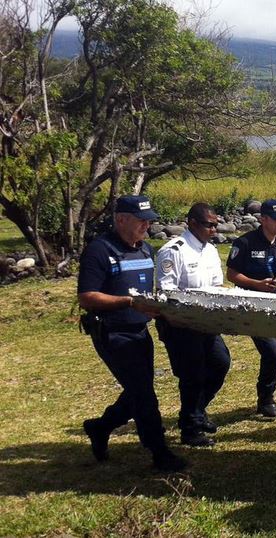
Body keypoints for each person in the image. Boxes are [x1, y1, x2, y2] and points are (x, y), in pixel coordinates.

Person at [77, 195, 187, 472]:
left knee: (137, 391)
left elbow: (145, 293)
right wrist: (127, 302)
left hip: (139, 330)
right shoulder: (99, 251)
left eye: (149, 221)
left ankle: (100, 427)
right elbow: (87, 297)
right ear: (121, 219)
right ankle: (159, 452)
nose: (146, 225)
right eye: (141, 220)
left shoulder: (146, 250)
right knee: (144, 394)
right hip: (112, 333)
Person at [156, 203, 231, 447]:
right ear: (192, 223)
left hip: (207, 323)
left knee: (220, 364)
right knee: (192, 375)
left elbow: (216, 286)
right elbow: (167, 293)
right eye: (209, 225)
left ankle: (196, 412)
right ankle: (190, 429)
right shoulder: (174, 251)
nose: (214, 229)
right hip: (181, 324)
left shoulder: (209, 250)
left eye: (216, 225)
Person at [226, 199, 276, 417]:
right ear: (263, 219)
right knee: (271, 351)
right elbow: (232, 274)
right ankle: (265, 399)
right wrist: (256, 284)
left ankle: (267, 399)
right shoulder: (245, 243)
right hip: (251, 307)